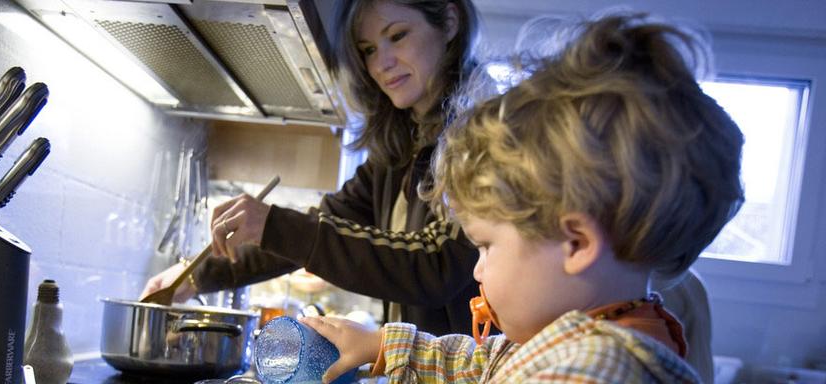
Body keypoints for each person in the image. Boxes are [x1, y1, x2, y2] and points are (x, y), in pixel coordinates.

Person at [299, 12, 744, 383]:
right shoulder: (576, 338)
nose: (477, 269)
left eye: (487, 245)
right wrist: (377, 344)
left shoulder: (593, 372)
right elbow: (476, 362)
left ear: (577, 243)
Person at [141, 0, 485, 336]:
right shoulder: (396, 153)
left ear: (450, 22)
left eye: (397, 35)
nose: (382, 63)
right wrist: (195, 274)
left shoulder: (481, 137)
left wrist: (272, 224)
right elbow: (322, 225)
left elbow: (438, 266)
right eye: (367, 50)